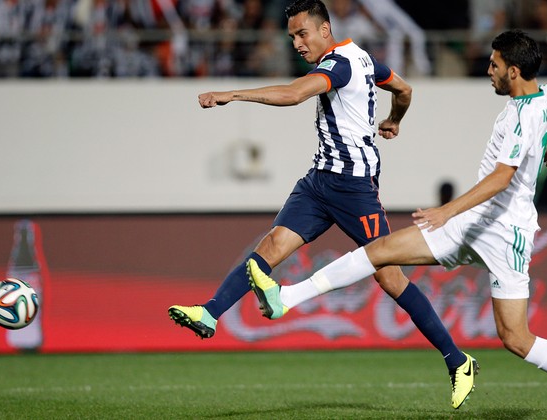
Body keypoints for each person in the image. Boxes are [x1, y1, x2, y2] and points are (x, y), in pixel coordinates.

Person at [246, 29, 547, 419]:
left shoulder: (520, 118)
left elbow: (502, 178)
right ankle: (287, 298)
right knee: (381, 253)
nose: (488, 70)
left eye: (495, 65)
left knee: (515, 339)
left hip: (496, 230)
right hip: (496, 227)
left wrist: (446, 211)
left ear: (514, 72)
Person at [168, 0, 477, 409]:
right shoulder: (363, 59)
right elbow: (404, 89)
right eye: (292, 36)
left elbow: (296, 94)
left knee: (389, 277)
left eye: (302, 33)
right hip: (318, 182)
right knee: (271, 247)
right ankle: (210, 313)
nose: (297, 42)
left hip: (354, 190)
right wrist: (395, 119)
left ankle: (458, 361)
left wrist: (232, 94)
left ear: (325, 29)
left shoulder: (340, 64)